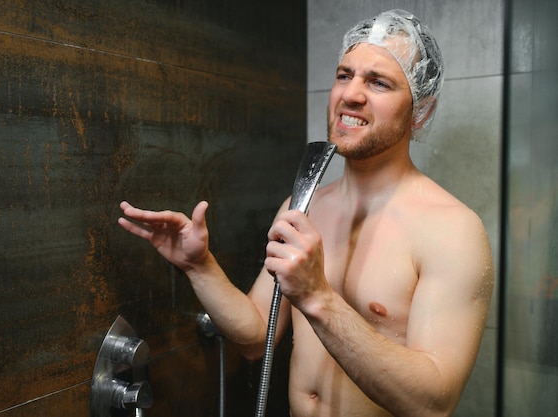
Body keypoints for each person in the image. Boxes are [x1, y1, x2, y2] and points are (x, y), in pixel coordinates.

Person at [118, 9, 494, 417]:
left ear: (419, 110)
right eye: (344, 75)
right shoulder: (304, 205)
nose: (350, 94)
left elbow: (432, 404)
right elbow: (256, 335)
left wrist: (318, 296)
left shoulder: (451, 230)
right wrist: (199, 266)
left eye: (379, 82)